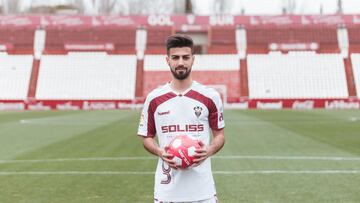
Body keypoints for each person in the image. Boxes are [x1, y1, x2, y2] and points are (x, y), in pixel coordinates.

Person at [138, 34, 225, 203]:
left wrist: (209, 150)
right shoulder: (154, 98)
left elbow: (220, 136)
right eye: (175, 57)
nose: (180, 63)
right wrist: (159, 151)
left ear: (193, 59)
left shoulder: (210, 96)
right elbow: (146, 137)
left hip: (203, 192)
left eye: (185, 57)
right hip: (167, 192)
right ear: (167, 60)